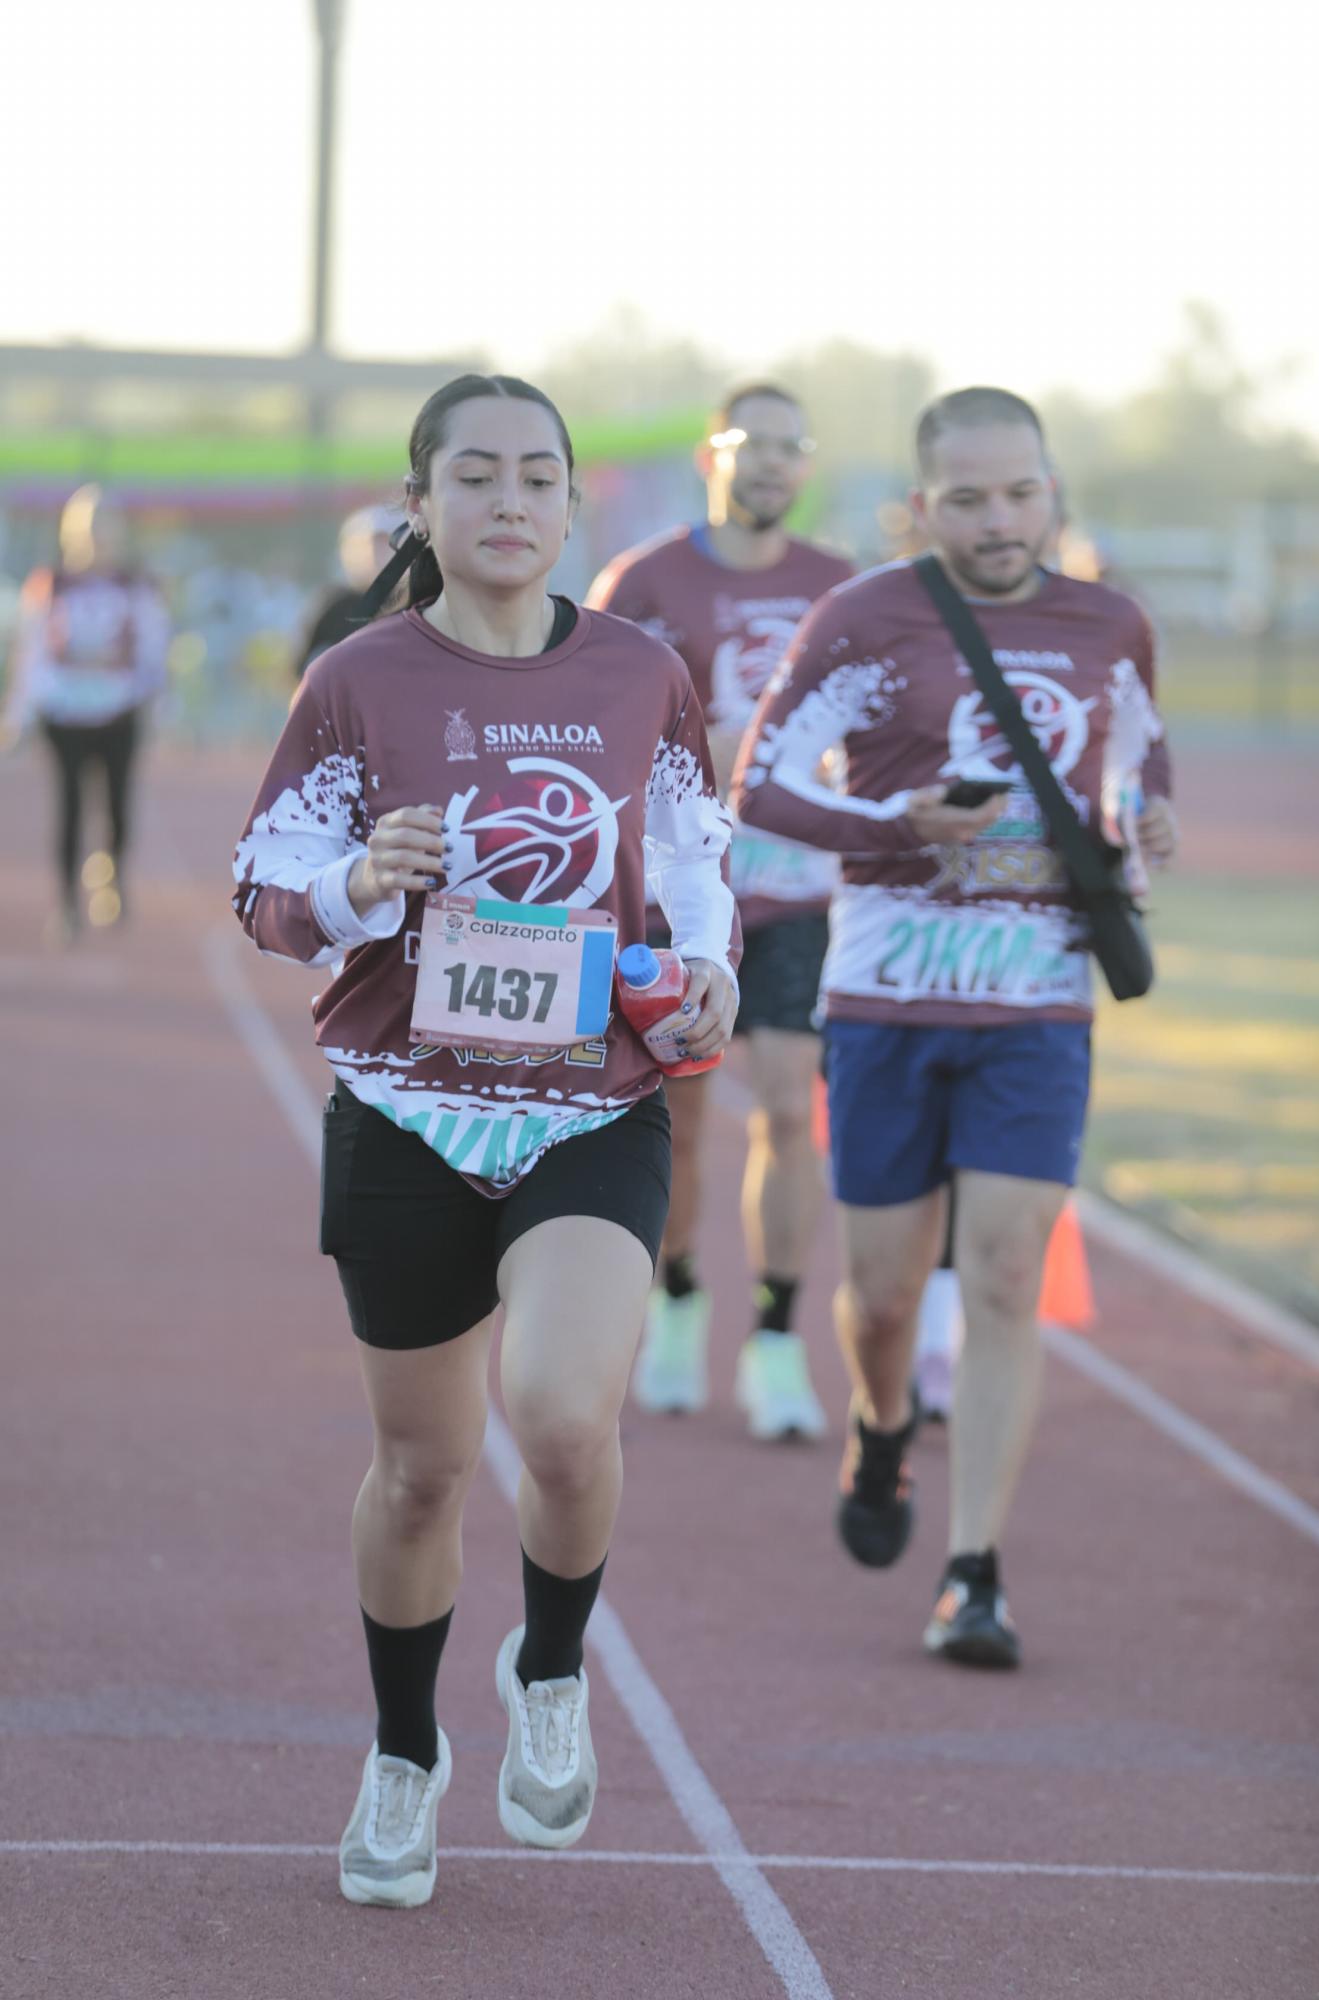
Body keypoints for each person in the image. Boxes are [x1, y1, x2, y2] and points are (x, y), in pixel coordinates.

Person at [232, 375, 739, 1906]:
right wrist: (361, 884)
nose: (509, 500)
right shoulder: (357, 679)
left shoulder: (644, 671)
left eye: (537, 475)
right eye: (475, 476)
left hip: (591, 1106)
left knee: (566, 1419)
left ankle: (551, 1667)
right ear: (422, 505)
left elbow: (696, 857)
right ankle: (402, 1758)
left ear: (575, 503)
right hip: (405, 1111)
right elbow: (268, 890)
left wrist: (706, 966)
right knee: (424, 1471)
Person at [732, 386, 1176, 1667]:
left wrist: (1148, 826)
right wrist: (894, 825)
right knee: (876, 1296)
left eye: (1020, 492)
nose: (999, 519)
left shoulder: (1109, 625)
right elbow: (753, 780)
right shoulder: (862, 618)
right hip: (882, 1002)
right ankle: (879, 1432)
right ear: (925, 506)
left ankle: (973, 1567)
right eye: (969, 498)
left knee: (996, 1278)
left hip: (1034, 1003)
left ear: (1052, 491)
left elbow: (1140, 773)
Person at [587, 385, 854, 1440]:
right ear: (713, 452)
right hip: (678, 896)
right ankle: (679, 1300)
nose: (776, 464)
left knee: (791, 1109)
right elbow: (593, 723)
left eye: (796, 446)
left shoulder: (841, 586)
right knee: (682, 1119)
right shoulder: (644, 580)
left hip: (797, 889)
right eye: (757, 444)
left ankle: (779, 1339)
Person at [4, 486, 169, 937]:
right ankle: (67, 903)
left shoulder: (137, 586)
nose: (99, 535)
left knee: (117, 804)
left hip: (120, 710)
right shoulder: (50, 585)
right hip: (65, 713)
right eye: (90, 524)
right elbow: (32, 654)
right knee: (70, 806)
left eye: (106, 524)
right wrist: (18, 715)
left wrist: (157, 706)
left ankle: (111, 873)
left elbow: (154, 649)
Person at [292, 504, 400, 681]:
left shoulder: (415, 602)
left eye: (383, 544)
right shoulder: (331, 605)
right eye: (364, 545)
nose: (373, 553)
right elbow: (299, 671)